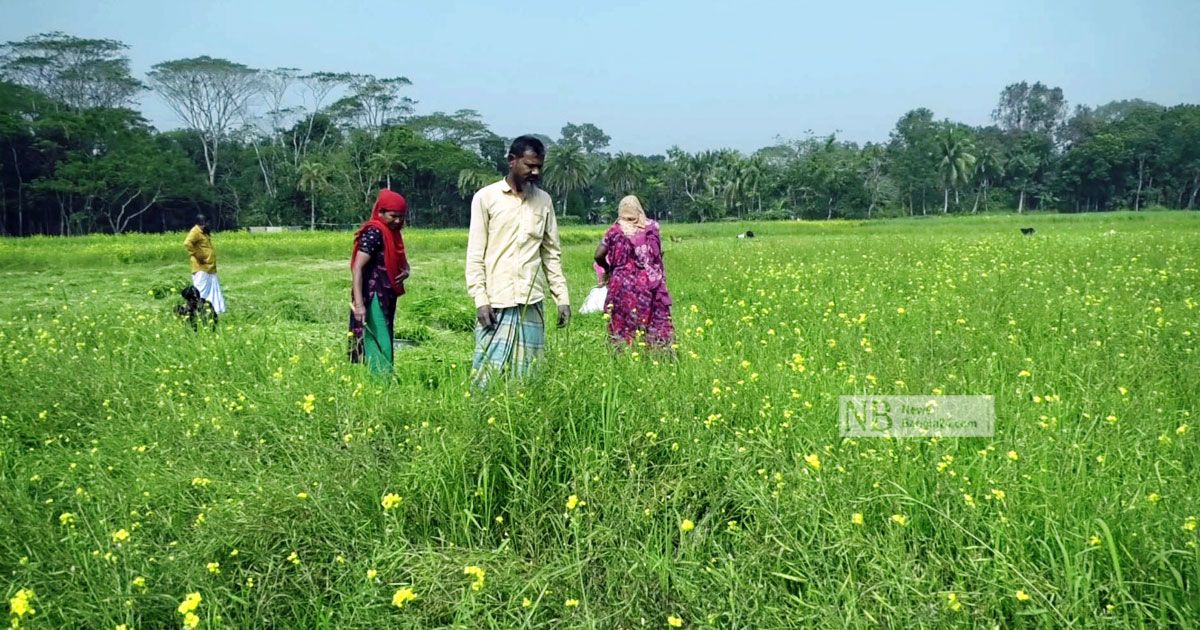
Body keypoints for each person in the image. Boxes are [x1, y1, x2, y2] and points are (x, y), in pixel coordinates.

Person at [466, 135, 570, 385]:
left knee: (528, 377)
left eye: (539, 167)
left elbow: (551, 254)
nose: (535, 172)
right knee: (486, 377)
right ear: (512, 161)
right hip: (496, 301)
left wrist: (562, 298)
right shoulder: (486, 198)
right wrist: (481, 299)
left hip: (530, 302)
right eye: (529, 165)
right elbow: (475, 255)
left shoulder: (544, 201)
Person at [594, 195, 674, 348]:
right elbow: (657, 254)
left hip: (620, 283)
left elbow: (598, 255)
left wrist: (608, 268)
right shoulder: (651, 227)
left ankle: (624, 354)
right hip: (647, 283)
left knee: (621, 321)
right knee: (651, 320)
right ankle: (657, 352)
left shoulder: (614, 230)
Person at [349, 190, 410, 375]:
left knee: (384, 334)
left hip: (386, 295)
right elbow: (357, 267)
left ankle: (382, 381)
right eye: (393, 216)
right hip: (373, 296)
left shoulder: (392, 234)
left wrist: (406, 271)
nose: (398, 221)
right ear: (381, 212)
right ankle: (379, 383)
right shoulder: (375, 232)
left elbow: (398, 261)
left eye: (401, 217)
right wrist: (359, 305)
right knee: (377, 337)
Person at [183, 214, 227, 318]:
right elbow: (187, 243)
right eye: (208, 223)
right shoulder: (195, 231)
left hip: (209, 267)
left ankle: (215, 310)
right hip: (201, 267)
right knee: (200, 290)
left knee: (213, 290)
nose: (209, 225)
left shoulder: (204, 232)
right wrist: (198, 255)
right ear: (203, 222)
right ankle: (198, 310)